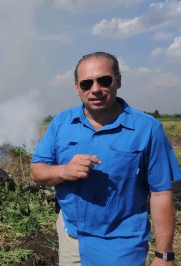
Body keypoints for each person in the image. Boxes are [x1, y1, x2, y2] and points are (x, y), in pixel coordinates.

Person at [30, 51, 181, 265]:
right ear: (77, 88)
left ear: (118, 81)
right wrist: (64, 170)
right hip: (71, 237)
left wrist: (164, 255)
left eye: (104, 80)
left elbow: (161, 192)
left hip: (121, 244)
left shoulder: (148, 129)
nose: (95, 90)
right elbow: (36, 171)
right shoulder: (60, 123)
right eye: (86, 84)